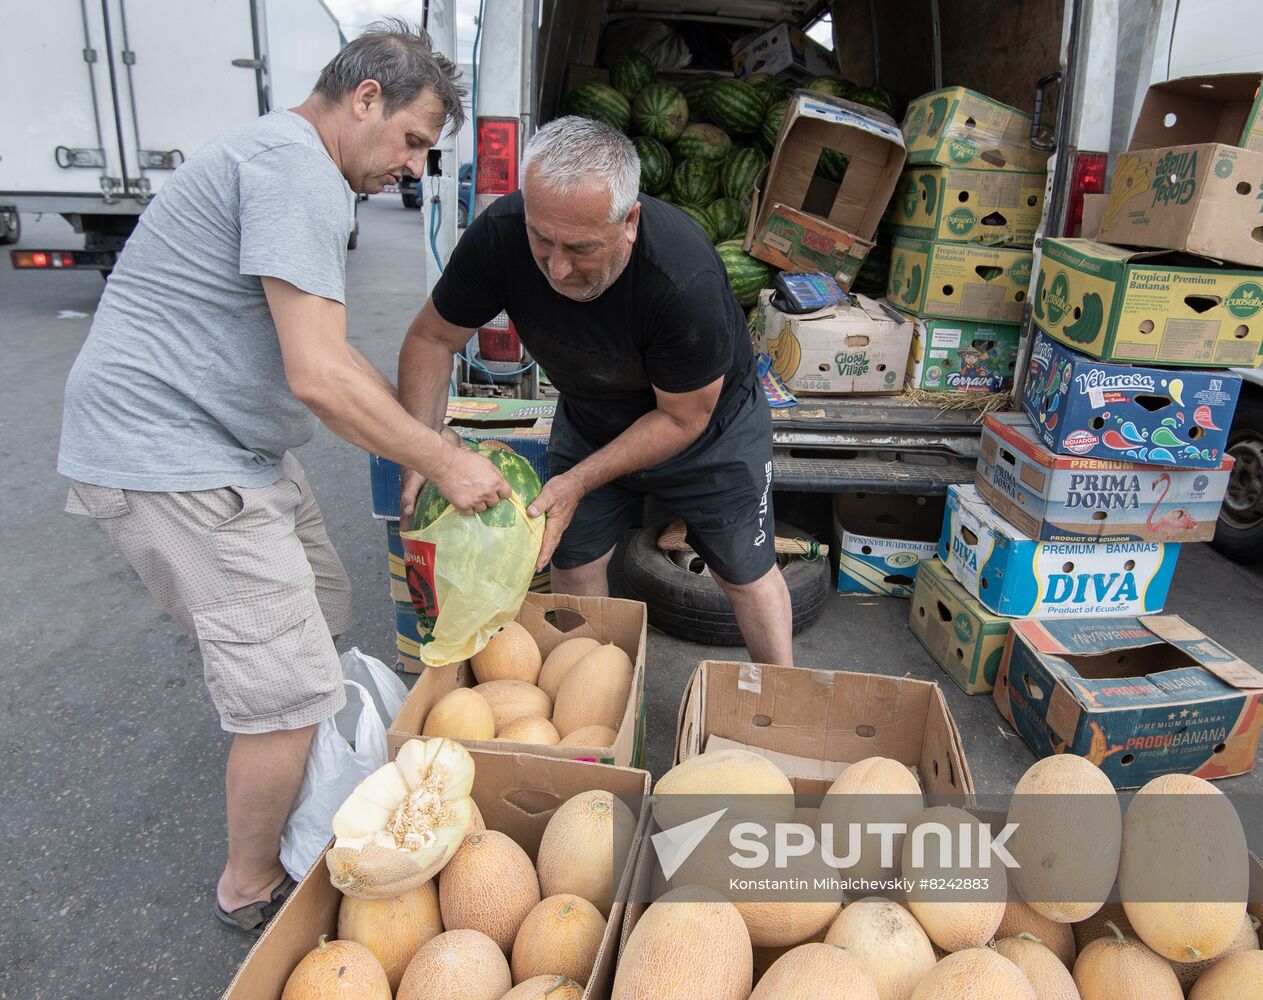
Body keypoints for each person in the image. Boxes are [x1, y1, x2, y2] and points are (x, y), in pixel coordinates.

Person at [55, 20, 509, 936]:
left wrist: (421, 437)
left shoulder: (290, 162)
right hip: (170, 458)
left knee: (325, 602)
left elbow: (328, 359)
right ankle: (252, 883)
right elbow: (318, 375)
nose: (412, 167)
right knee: (290, 683)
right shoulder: (296, 168)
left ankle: (300, 761)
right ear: (366, 97)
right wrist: (443, 460)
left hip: (230, 447)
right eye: (413, 140)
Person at [398, 116, 794, 665]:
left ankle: (782, 695)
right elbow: (431, 337)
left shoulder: (682, 278)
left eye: (581, 248)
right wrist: (422, 446)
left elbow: (682, 419)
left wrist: (578, 481)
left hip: (708, 431)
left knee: (745, 574)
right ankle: (596, 695)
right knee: (573, 561)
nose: (557, 269)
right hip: (591, 418)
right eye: (541, 238)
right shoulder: (501, 234)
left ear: (629, 221)